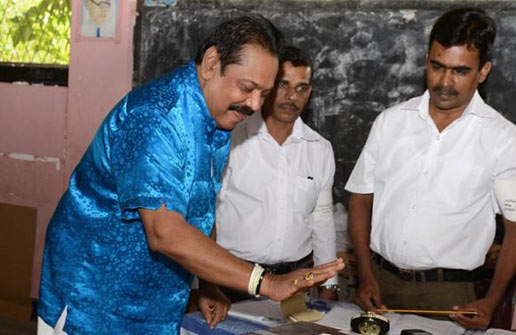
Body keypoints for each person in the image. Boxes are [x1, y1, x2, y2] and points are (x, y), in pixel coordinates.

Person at [37, 15, 344, 335]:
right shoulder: (156, 117)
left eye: (263, 93)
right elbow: (165, 233)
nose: (254, 104)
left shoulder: (218, 117)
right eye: (247, 87)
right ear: (212, 63)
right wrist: (265, 282)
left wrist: (210, 283)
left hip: (157, 299)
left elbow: (201, 210)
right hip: (93, 297)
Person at [346, 8, 516, 330]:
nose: (445, 82)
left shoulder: (504, 140)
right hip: (376, 284)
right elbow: (361, 200)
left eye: (460, 71)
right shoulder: (390, 123)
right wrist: (364, 275)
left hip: (446, 296)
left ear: (483, 71)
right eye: (437, 66)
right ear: (427, 62)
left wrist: (491, 300)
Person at [214, 46, 339, 302]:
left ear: (310, 93)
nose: (291, 96)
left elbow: (322, 218)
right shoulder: (232, 138)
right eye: (283, 84)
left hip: (294, 284)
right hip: (232, 279)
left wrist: (330, 284)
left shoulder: (320, 149)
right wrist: (204, 283)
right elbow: (206, 212)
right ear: (268, 86)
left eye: (301, 87)